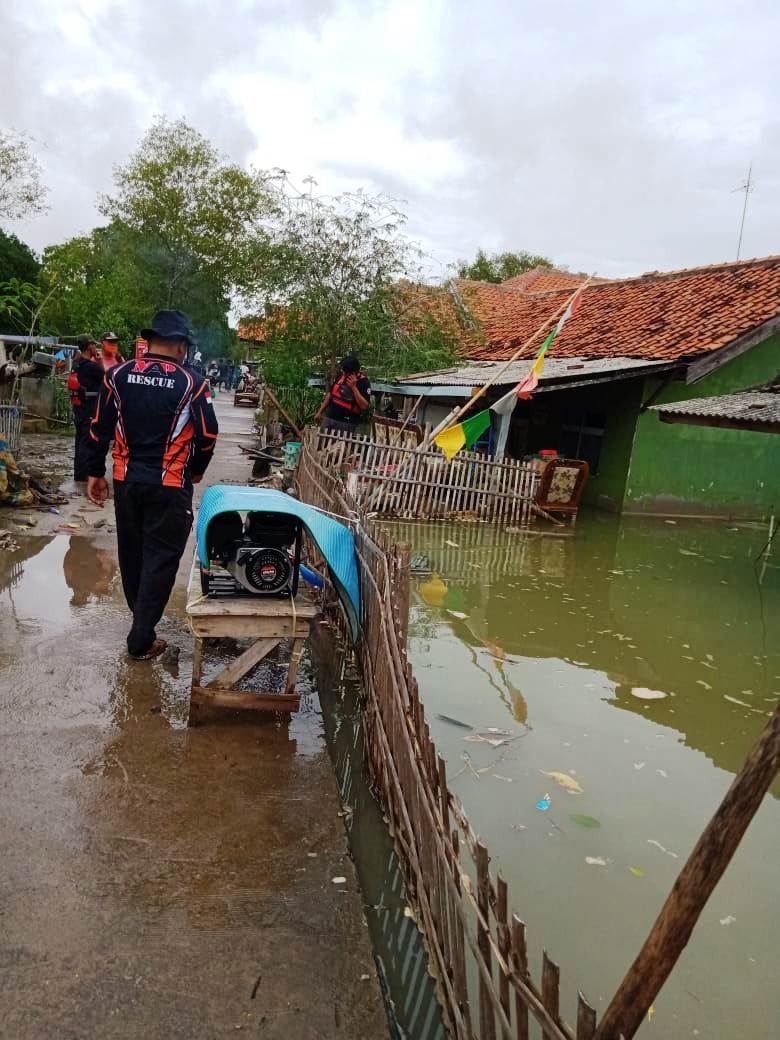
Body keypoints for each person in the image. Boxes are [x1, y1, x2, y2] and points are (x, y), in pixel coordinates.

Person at [86, 309, 219, 661]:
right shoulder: (193, 382)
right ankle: (141, 638)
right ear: (179, 346)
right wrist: (197, 469)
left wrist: (93, 471)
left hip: (126, 481)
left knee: (132, 552)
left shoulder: (118, 375)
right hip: (170, 485)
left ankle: (140, 623)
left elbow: (98, 425)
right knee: (160, 557)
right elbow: (207, 435)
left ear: (149, 341)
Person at [68, 335, 103, 484]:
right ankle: (83, 475)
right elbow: (107, 377)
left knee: (79, 440)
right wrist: (100, 361)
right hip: (88, 408)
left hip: (78, 407)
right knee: (86, 442)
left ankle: (79, 473)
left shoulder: (77, 364)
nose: (96, 348)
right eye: (94, 345)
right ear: (89, 347)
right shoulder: (91, 367)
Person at [316, 355, 371, 432]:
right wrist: (320, 412)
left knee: (339, 444)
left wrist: (353, 387)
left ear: (353, 372)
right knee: (321, 442)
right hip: (329, 417)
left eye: (346, 372)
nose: (344, 373)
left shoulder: (364, 382)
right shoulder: (340, 376)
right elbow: (330, 394)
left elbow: (364, 406)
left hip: (346, 422)